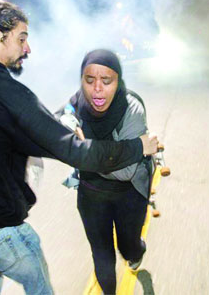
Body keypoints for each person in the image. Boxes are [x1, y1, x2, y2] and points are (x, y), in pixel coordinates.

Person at [0, 0, 158, 295]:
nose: (28, 48)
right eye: (22, 38)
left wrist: (57, 126)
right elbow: (75, 151)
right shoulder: (5, 93)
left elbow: (23, 131)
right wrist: (139, 147)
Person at [55, 49, 151, 295]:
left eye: (106, 81)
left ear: (118, 81)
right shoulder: (77, 102)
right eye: (89, 80)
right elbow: (61, 114)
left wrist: (83, 150)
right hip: (91, 194)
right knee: (101, 254)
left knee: (128, 248)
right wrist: (66, 120)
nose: (97, 89)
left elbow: (125, 172)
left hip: (128, 193)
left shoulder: (132, 108)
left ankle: (136, 251)